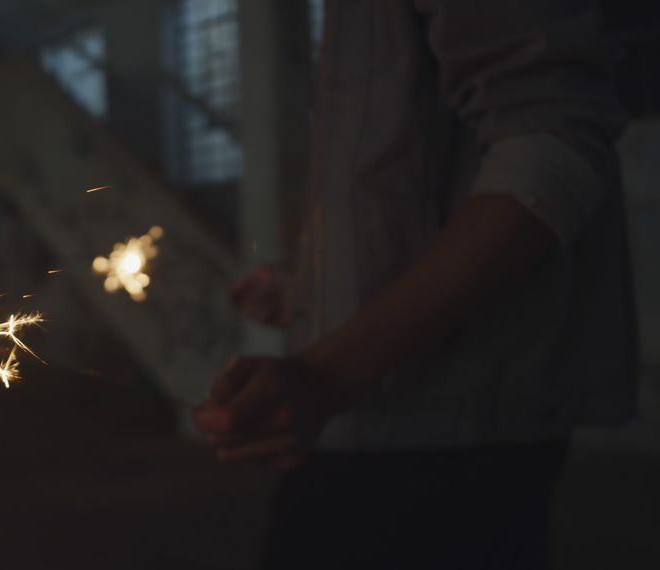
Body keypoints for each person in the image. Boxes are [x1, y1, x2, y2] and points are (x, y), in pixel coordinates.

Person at [192, 1, 637, 569]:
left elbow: (553, 145)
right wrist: (311, 289)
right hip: (381, 424)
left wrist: (326, 374)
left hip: (449, 430)